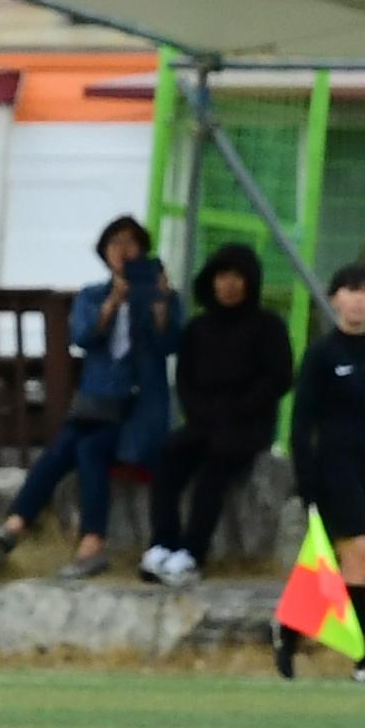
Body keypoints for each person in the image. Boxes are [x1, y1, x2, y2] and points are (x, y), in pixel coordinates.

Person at [0, 215, 175, 580]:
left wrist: (159, 305)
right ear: (104, 253)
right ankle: (32, 528)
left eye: (131, 243)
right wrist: (112, 304)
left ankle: (33, 527)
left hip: (138, 410)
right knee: (67, 447)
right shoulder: (93, 294)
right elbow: (83, 337)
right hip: (97, 403)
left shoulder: (162, 295)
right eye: (115, 243)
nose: (123, 251)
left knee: (85, 448)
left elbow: (169, 343)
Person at [279, 263, 365, 683]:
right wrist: (305, 481)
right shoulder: (322, 354)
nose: (358, 299)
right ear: (335, 298)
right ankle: (361, 659)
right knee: (363, 555)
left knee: (355, 566)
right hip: (333, 466)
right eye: (349, 290)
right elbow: (302, 423)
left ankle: (289, 631)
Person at [140, 241, 294, 586]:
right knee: (167, 456)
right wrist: (202, 413)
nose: (229, 284)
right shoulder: (197, 328)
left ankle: (192, 554)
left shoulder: (269, 326)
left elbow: (279, 379)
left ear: (250, 281)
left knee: (216, 465)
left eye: (237, 276)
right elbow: (185, 381)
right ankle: (162, 544)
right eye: (223, 276)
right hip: (203, 421)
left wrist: (236, 412)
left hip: (248, 425)